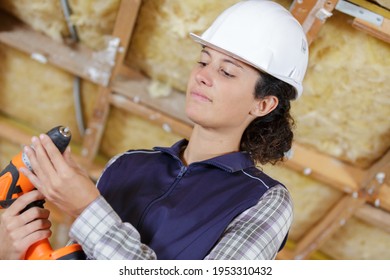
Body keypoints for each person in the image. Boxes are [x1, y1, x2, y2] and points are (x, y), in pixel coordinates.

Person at [0, 0, 308, 260]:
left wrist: (85, 207)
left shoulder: (264, 200)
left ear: (263, 104)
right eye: (203, 61)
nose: (203, 76)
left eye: (227, 71)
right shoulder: (127, 163)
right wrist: (13, 253)